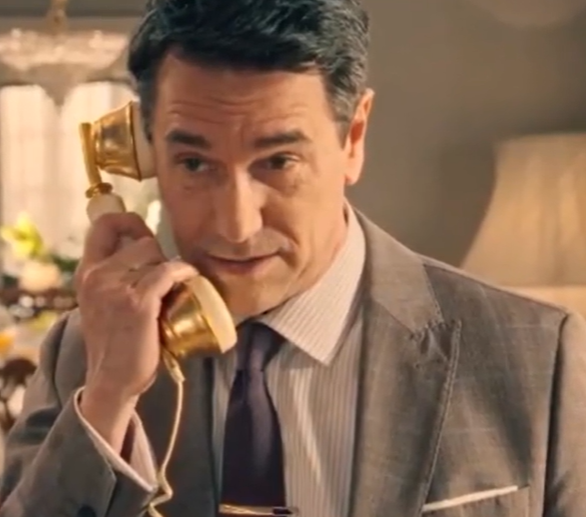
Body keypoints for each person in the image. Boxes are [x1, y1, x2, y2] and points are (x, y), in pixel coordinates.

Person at [1, 0, 586, 515]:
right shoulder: (86, 351)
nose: (236, 226)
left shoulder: (540, 356)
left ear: (353, 137)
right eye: (194, 164)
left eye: (278, 161)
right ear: (145, 151)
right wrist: (109, 398)